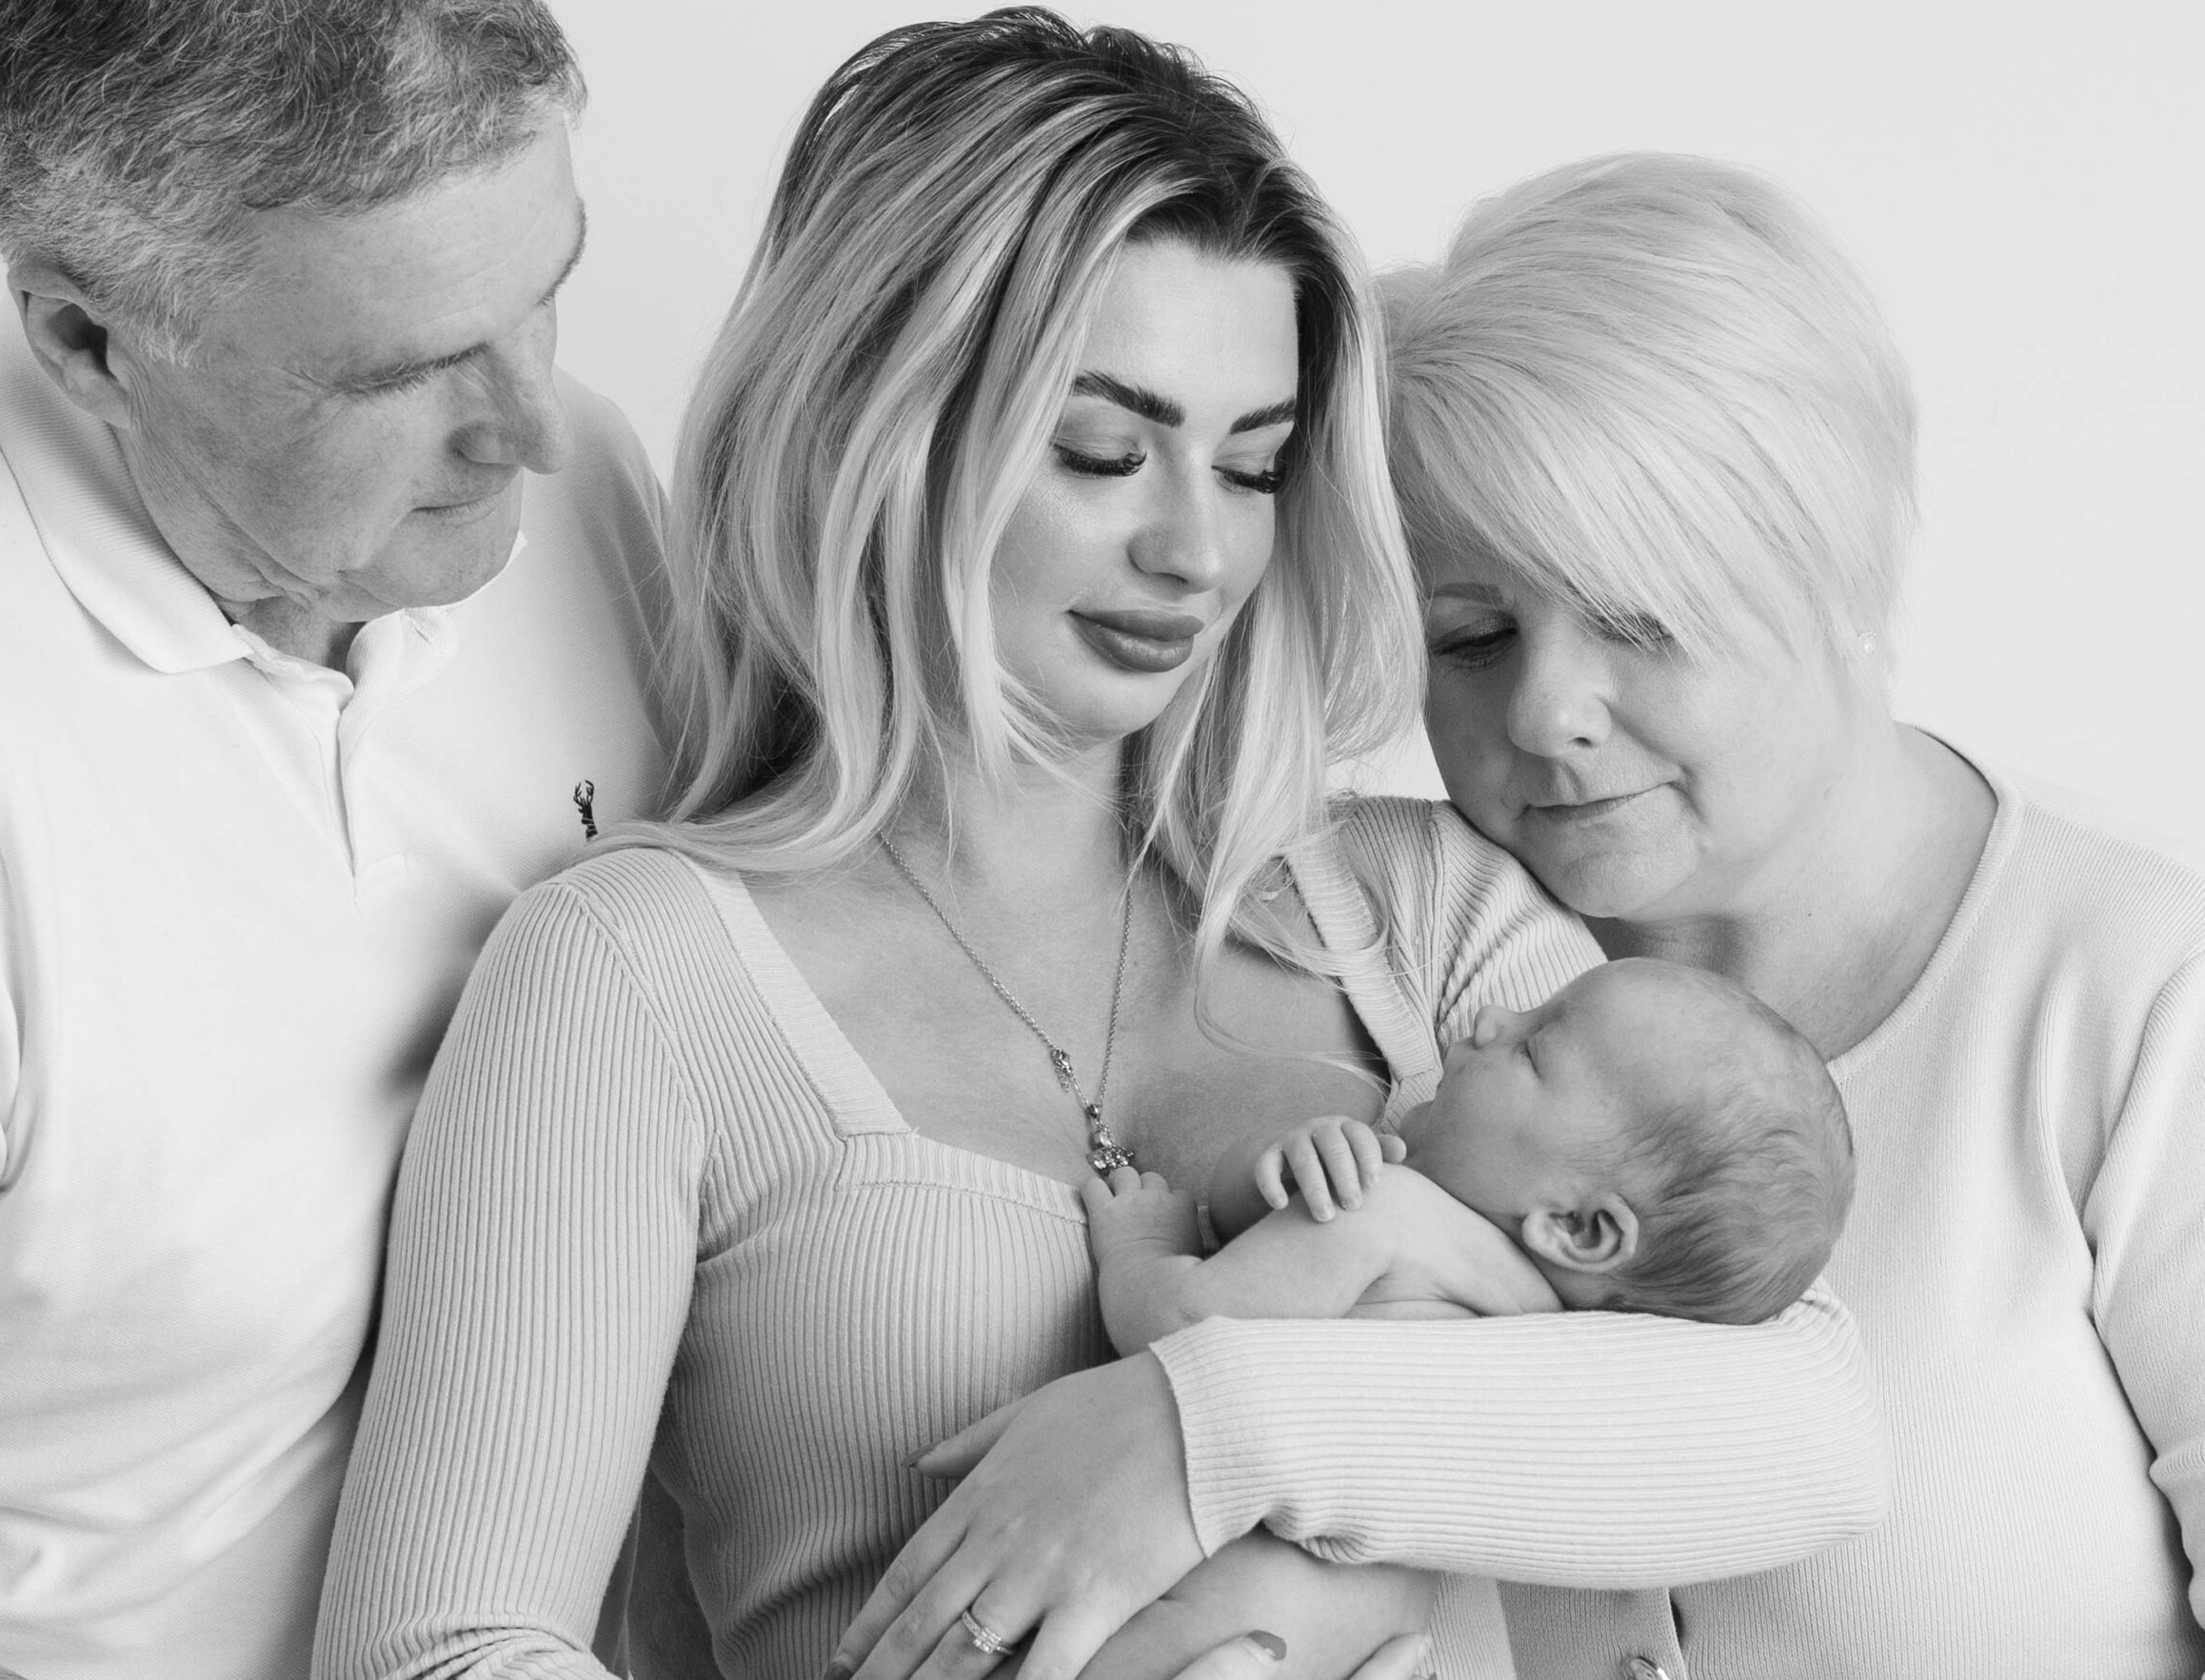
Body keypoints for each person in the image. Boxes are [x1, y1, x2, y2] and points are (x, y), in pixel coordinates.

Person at [316, 19, 1884, 1680]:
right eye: (1103, 452)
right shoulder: (636, 978)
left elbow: (1808, 1435)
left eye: (1254, 465)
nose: (1197, 550)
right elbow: (440, 1651)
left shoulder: (1424, 913)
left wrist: (1202, 1431)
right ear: (877, 423)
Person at [832, 150, 2205, 1680]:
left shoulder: (2144, 1000)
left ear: (1832, 567)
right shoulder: (1375, 932)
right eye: (1470, 636)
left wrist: (1210, 1424)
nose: (1548, 714)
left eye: (1638, 619)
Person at [0, 4, 666, 1677]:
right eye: (400, 373)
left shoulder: (573, 490)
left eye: (545, 292)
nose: (532, 425)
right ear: (90, 343)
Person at [1089, 957, 1856, 1354]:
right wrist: (1286, 1165)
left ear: (1577, 1226)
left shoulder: (1386, 1213)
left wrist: (1143, 1244)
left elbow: (1180, 1327)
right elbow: (1253, 1239)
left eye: (1532, 1047)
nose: (1491, 1015)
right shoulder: (1534, 1332)